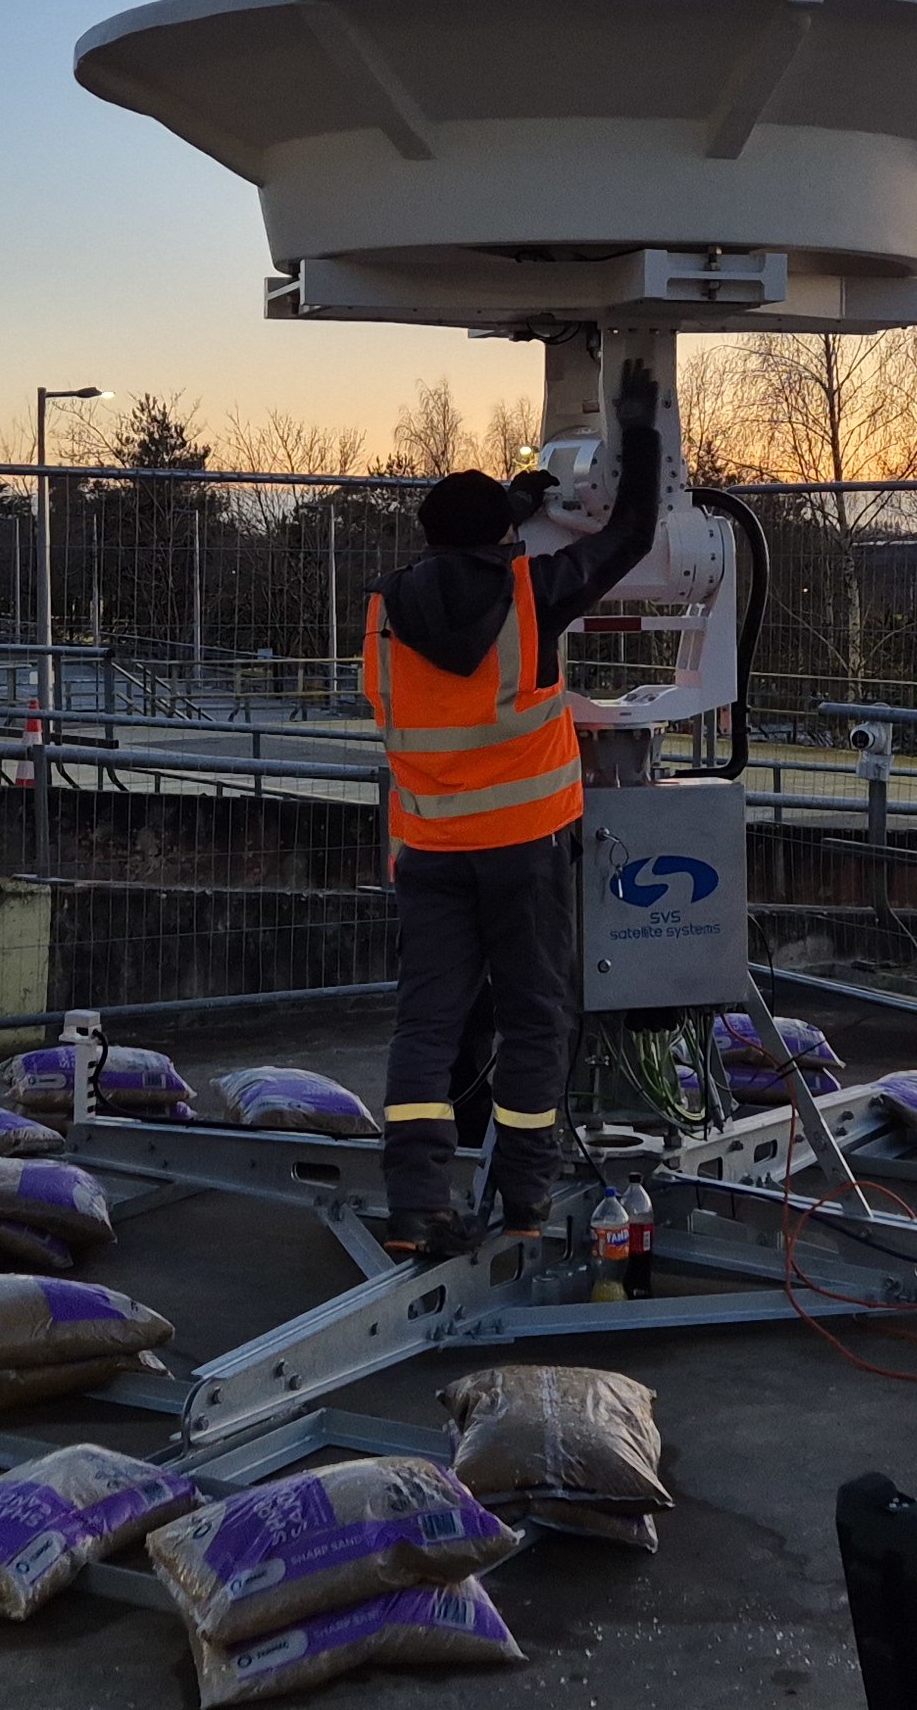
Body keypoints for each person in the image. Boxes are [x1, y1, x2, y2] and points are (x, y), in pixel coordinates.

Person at [361, 357, 664, 1258]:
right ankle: (524, 1199)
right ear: (502, 539)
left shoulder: (385, 610)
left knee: (428, 1026)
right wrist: (641, 432)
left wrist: (518, 499)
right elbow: (633, 534)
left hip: (428, 851)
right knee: (536, 1020)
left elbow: (461, 576)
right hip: (526, 851)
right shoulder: (534, 593)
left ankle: (417, 1206)